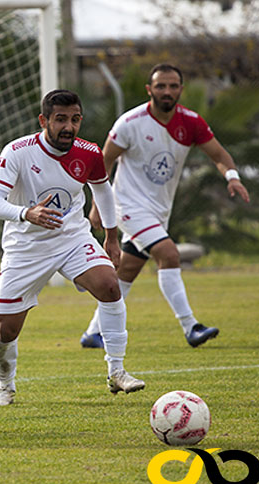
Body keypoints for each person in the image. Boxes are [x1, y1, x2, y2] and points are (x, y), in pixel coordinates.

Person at [0, 89, 145, 407]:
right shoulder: (17, 152)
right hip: (24, 246)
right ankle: (5, 386)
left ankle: (117, 371)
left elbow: (103, 192)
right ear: (44, 120)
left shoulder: (89, 153)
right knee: (7, 329)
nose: (68, 127)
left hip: (71, 239)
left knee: (110, 287)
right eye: (60, 120)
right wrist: (26, 213)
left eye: (75, 119)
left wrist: (111, 237)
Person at [80, 64, 250, 350]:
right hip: (127, 205)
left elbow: (219, 154)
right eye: (161, 86)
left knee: (126, 272)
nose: (167, 91)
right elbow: (103, 161)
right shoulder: (130, 122)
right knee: (169, 253)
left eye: (173, 86)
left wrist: (232, 177)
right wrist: (99, 204)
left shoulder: (192, 122)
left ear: (181, 89)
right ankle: (191, 326)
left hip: (159, 210)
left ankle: (93, 332)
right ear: (150, 90)